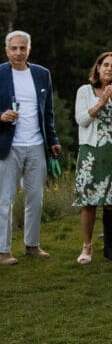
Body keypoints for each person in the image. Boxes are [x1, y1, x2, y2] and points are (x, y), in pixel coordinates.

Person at [0, 31, 61, 266]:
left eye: (22, 48)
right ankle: (3, 250)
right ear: (7, 50)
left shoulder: (42, 74)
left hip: (36, 145)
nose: (18, 52)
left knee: (35, 198)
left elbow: (48, 112)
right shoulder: (1, 73)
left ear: (29, 49)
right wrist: (1, 116)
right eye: (14, 48)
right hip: (8, 146)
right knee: (5, 200)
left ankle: (32, 245)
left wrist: (53, 140)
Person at [73, 51, 112, 263]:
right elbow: (81, 120)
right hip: (91, 151)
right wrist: (101, 101)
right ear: (98, 68)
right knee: (88, 201)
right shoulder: (84, 91)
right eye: (105, 65)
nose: (109, 69)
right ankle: (87, 247)